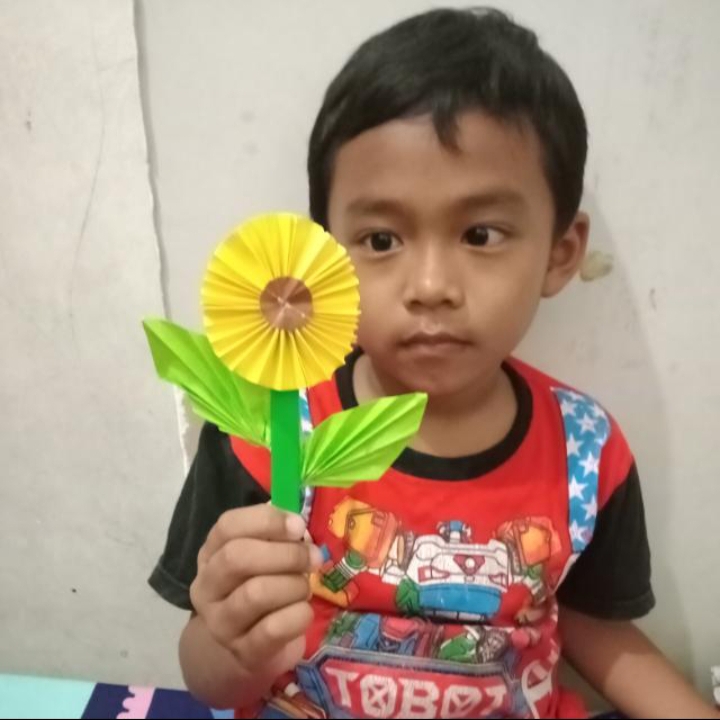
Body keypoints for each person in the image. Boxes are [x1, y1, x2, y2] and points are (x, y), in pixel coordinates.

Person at [149, 8, 718, 718]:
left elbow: (593, 624)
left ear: (560, 251)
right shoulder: (265, 433)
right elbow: (210, 679)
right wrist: (233, 644)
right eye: (381, 240)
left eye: (480, 234)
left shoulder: (585, 452)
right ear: (326, 255)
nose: (429, 286)